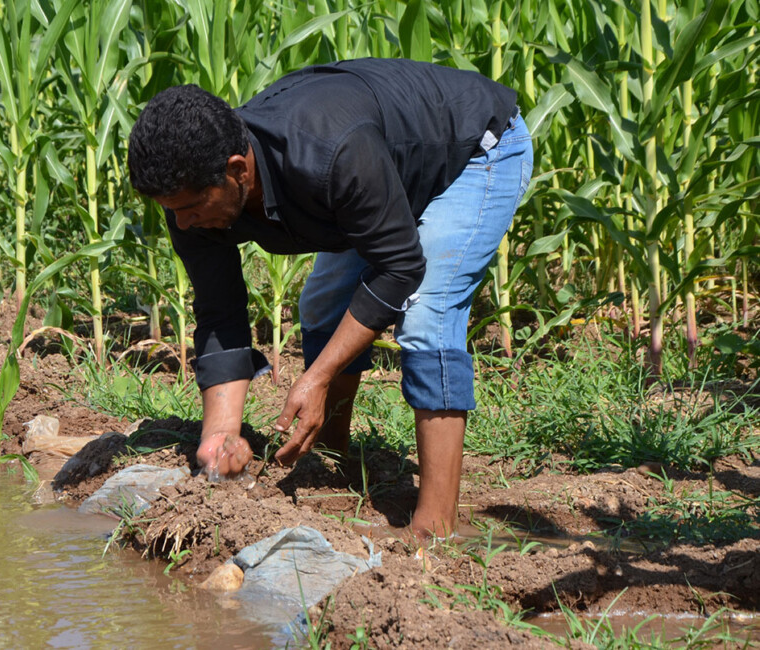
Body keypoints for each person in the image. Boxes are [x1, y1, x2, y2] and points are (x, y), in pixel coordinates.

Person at [126, 58, 533, 542]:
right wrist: (220, 436)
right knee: (322, 305)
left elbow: (401, 267)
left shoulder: (328, 154)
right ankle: (333, 461)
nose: (184, 224)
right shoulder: (191, 197)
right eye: (175, 213)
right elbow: (220, 309)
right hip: (383, 172)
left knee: (428, 311)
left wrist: (316, 377)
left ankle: (435, 529)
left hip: (474, 149)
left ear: (237, 171)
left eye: (192, 209)